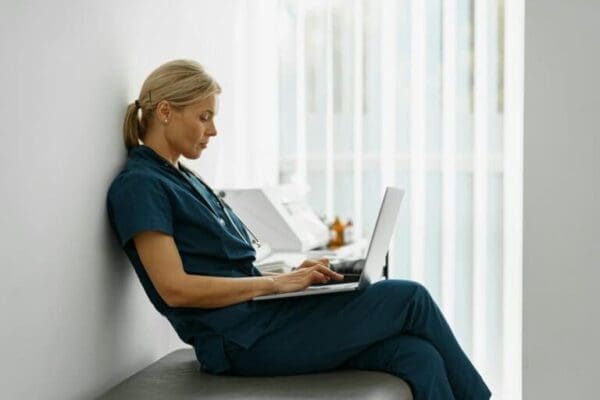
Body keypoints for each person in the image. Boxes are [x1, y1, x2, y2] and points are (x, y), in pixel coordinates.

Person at [106, 59, 491, 400]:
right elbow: (174, 288)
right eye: (204, 117)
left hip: (262, 320)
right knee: (409, 298)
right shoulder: (140, 186)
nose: (214, 130)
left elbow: (228, 268)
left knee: (417, 357)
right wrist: (272, 286)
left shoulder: (183, 178)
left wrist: (293, 277)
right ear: (165, 112)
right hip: (241, 341)